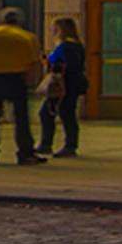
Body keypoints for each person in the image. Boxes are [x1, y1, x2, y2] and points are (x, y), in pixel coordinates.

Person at [0, 7, 47, 166]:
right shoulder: (27, 37)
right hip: (16, 79)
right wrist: (32, 82)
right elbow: (33, 64)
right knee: (21, 118)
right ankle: (25, 153)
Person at [40, 18, 86, 158]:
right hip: (70, 83)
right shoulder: (75, 46)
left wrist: (49, 64)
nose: (52, 32)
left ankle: (68, 145)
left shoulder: (66, 47)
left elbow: (68, 65)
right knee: (57, 112)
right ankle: (48, 143)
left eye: (55, 29)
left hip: (65, 84)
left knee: (63, 113)